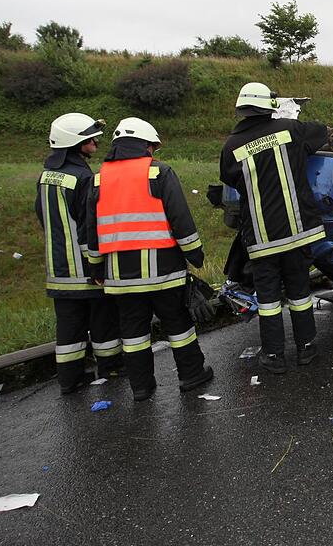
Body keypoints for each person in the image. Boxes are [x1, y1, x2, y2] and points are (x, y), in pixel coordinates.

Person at [86, 117, 212, 401]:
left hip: (120, 277)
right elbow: (180, 218)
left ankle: (141, 387)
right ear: (145, 145)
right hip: (164, 271)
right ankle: (191, 376)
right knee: (178, 325)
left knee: (132, 334)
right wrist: (194, 253)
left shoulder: (98, 179)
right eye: (152, 147)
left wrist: (95, 267)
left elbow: (91, 231)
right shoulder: (159, 173)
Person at [220, 82, 330, 374]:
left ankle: (273, 356)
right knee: (300, 291)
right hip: (298, 231)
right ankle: (307, 349)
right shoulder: (289, 129)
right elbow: (321, 133)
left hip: (262, 237)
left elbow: (229, 179)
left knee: (268, 299)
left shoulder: (231, 146)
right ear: (269, 106)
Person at [36, 113, 123, 394]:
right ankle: (110, 369)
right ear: (75, 142)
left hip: (58, 271)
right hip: (85, 270)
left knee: (68, 329)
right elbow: (89, 225)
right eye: (89, 137)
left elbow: (42, 215)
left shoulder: (46, 176)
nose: (96, 140)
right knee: (103, 321)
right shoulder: (83, 177)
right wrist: (96, 266)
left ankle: (69, 380)